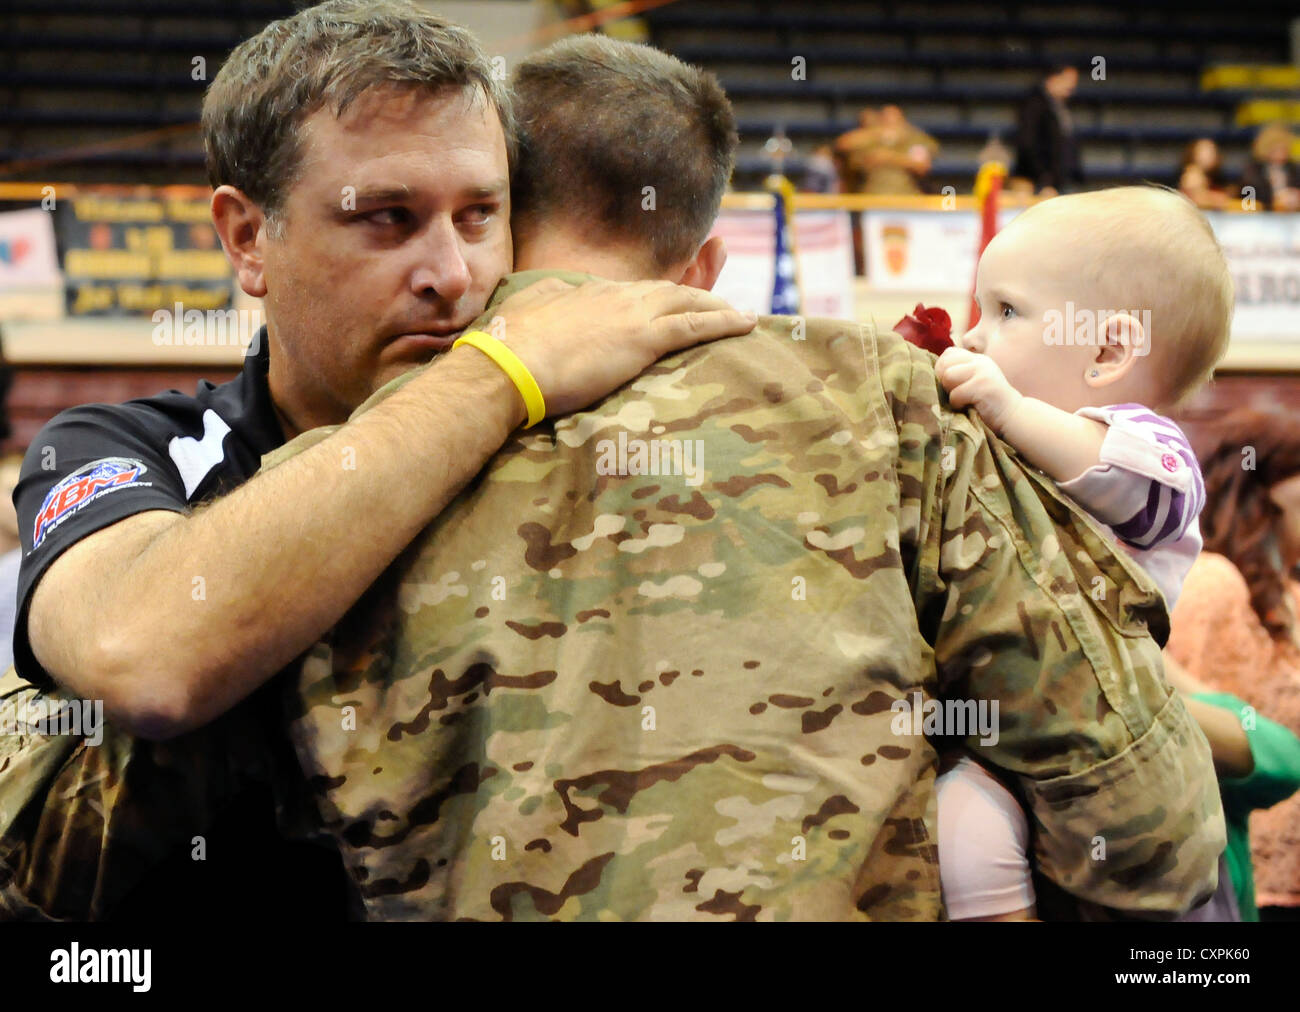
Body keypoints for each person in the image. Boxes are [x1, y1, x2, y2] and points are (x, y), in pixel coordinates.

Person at [263, 36, 1225, 921]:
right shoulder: (880, 394)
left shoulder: (329, 483)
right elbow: (1151, 832)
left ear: (498, 220)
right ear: (709, 263)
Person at [0, 1, 755, 920]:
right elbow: (144, 659)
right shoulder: (128, 448)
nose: (453, 273)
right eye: (388, 219)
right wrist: (493, 377)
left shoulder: (590, 446)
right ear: (247, 238)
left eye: (481, 216)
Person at [930, 186, 1235, 919]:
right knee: (958, 821)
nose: (974, 337)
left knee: (974, 833)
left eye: (1005, 312)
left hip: (1108, 746)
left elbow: (1125, 479)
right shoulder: (1010, 448)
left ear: (1107, 350)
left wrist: (1012, 408)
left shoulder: (1151, 449)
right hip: (1007, 731)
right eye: (979, 310)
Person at [1166, 410, 1300, 920]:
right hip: (1240, 877)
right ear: (1268, 486)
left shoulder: (1292, 597)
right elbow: (1182, 726)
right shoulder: (1214, 582)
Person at [1013, 64, 1081, 196]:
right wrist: (1044, 180)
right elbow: (1028, 144)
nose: (1072, 86)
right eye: (1068, 80)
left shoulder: (1060, 107)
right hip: (1040, 183)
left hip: (1060, 181)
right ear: (1053, 79)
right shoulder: (1034, 105)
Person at [843, 105, 938, 196]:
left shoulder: (914, 138)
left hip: (906, 196)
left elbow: (922, 166)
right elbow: (843, 145)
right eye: (885, 118)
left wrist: (888, 157)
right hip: (872, 196)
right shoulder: (870, 139)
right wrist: (875, 133)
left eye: (894, 118)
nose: (890, 122)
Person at [1239, 123, 1300, 212]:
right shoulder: (1253, 170)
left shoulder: (1294, 169)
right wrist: (1274, 200)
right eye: (1277, 149)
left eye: (1283, 148)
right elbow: (1248, 199)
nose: (1281, 153)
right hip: (1262, 217)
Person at [1178, 138, 1229, 211]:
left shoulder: (1212, 176)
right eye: (1205, 151)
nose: (1210, 155)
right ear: (1194, 153)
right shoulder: (1192, 174)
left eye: (1212, 151)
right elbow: (1196, 200)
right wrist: (1217, 200)